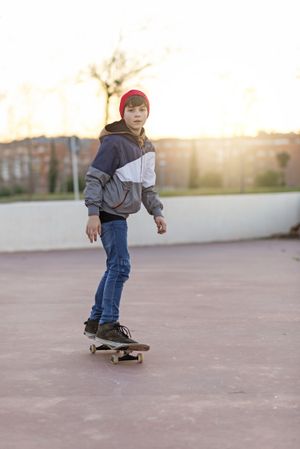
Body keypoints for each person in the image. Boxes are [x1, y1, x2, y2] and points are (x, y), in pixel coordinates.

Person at [83, 89, 167, 347]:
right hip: (109, 213)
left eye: (141, 110)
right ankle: (109, 325)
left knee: (114, 266)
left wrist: (157, 212)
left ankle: (95, 322)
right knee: (120, 267)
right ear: (123, 113)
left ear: (147, 112)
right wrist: (93, 214)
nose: (137, 114)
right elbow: (95, 178)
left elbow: (147, 187)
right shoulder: (114, 142)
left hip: (120, 214)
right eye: (131, 110)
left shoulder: (147, 147)